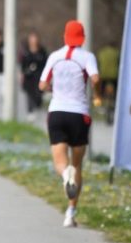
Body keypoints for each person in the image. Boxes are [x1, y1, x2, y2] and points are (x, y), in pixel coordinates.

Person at [39, 20, 99, 228]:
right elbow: (96, 78)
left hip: (56, 112)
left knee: (60, 163)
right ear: (82, 37)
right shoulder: (87, 57)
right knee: (77, 164)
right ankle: (70, 213)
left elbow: (43, 84)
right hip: (79, 115)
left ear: (65, 36)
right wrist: (97, 94)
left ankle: (66, 176)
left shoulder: (54, 56)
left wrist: (54, 90)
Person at [20, 31, 47, 122]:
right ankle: (30, 112)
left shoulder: (42, 51)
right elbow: (22, 65)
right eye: (31, 39)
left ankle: (38, 108)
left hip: (39, 77)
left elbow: (46, 64)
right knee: (29, 95)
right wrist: (24, 73)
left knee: (38, 95)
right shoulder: (26, 52)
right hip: (29, 78)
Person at [96, 43, 120, 125]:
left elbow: (98, 64)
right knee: (117, 92)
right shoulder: (117, 52)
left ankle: (99, 102)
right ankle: (116, 101)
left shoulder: (102, 52)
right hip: (114, 76)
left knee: (101, 91)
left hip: (104, 76)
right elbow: (119, 64)